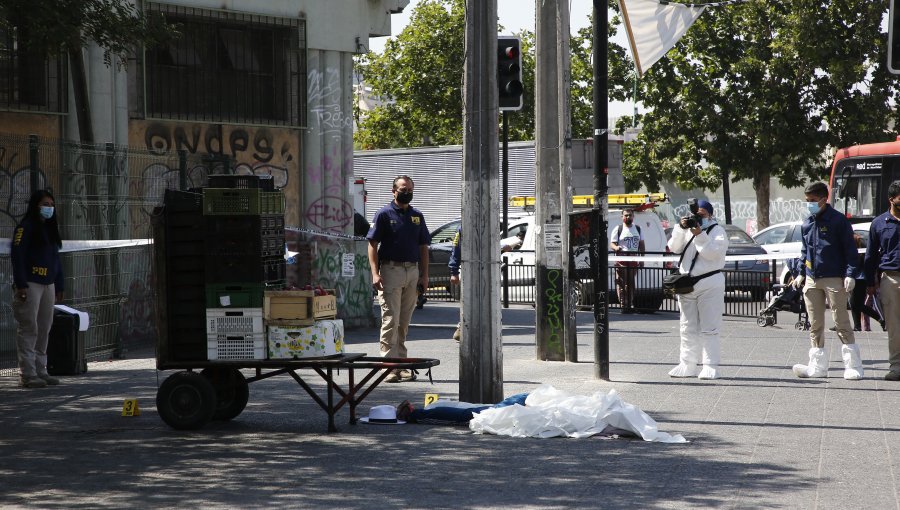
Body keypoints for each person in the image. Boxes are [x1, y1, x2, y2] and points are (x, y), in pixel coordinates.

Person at [791, 182, 863, 380]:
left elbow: (850, 250)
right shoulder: (807, 223)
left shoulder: (838, 221)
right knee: (815, 324)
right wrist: (800, 272)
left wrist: (850, 274)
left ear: (824, 199)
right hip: (812, 279)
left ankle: (853, 365)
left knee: (841, 321)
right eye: (807, 201)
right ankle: (817, 366)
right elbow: (804, 251)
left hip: (834, 277)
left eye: (813, 201)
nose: (809, 204)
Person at [366, 175, 430, 383]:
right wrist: (375, 273)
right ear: (393, 191)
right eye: (403, 188)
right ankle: (388, 367)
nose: (407, 192)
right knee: (391, 319)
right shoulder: (384, 214)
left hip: (412, 272)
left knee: (404, 321)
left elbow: (424, 247)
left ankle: (401, 364)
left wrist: (424, 275)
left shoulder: (417, 216)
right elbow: (372, 245)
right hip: (390, 270)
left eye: (410, 188)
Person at [666, 199, 728, 380]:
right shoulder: (688, 230)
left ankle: (710, 365)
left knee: (710, 327)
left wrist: (700, 234)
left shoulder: (717, 231)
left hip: (710, 284)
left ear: (710, 215)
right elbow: (674, 248)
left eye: (702, 215)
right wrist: (680, 228)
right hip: (686, 284)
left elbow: (712, 254)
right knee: (687, 327)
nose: (698, 218)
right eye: (695, 215)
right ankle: (687, 363)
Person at [11, 190, 65, 388]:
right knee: (29, 327)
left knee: (44, 327)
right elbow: (17, 256)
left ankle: (42, 370)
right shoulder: (25, 227)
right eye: (45, 204)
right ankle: (28, 373)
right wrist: (21, 284)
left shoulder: (50, 230)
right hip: (31, 284)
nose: (49, 207)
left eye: (51, 204)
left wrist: (59, 284)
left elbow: (56, 261)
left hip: (48, 285)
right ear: (35, 206)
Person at [864, 180, 900, 381]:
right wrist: (870, 282)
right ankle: (896, 367)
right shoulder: (878, 223)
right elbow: (870, 256)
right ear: (891, 200)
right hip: (891, 279)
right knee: (894, 326)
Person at [610, 208, 645, 314]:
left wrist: (642, 259)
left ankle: (630, 303)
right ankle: (624, 305)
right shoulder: (618, 229)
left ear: (633, 216)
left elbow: (642, 245)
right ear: (622, 217)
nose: (628, 217)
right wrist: (616, 248)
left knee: (630, 283)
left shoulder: (638, 229)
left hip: (633, 260)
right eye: (626, 215)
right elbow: (612, 243)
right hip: (621, 260)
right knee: (621, 283)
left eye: (630, 215)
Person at [849, 233, 884, 332]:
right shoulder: (859, 250)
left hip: (860, 279)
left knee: (856, 304)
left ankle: (880, 319)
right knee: (855, 303)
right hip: (858, 278)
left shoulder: (860, 252)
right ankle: (857, 326)